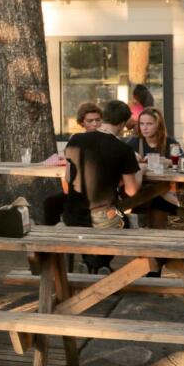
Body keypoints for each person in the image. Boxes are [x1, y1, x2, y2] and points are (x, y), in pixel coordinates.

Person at [61, 100, 142, 272]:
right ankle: (100, 264)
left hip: (72, 214)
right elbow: (131, 190)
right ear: (121, 124)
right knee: (124, 221)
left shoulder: (76, 139)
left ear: (103, 117)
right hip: (103, 216)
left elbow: (68, 176)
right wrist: (140, 172)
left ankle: (88, 263)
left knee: (89, 225)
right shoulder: (123, 150)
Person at [125, 107, 180, 228]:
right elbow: (120, 160)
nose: (144, 128)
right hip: (140, 192)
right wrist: (132, 157)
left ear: (158, 125)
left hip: (163, 192)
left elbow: (182, 163)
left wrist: (166, 161)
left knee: (158, 219)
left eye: (149, 124)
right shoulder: (134, 142)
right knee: (136, 221)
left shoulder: (169, 142)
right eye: (142, 124)